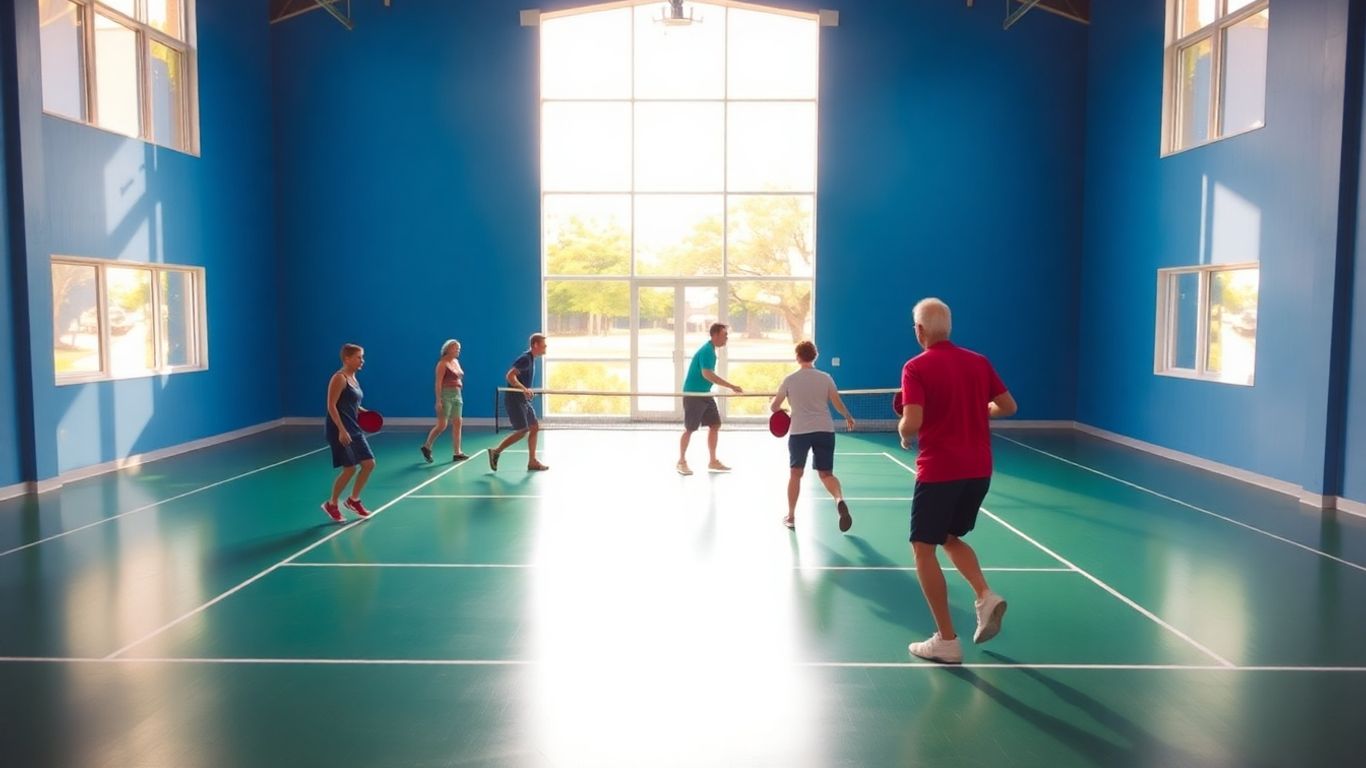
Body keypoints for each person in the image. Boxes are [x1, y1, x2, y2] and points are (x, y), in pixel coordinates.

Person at [898, 298, 1017, 664]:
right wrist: (980, 410)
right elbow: (1008, 406)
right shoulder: (979, 362)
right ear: (947, 327)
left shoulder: (915, 367)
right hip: (979, 470)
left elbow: (913, 421)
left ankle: (946, 641)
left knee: (923, 548)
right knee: (949, 537)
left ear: (920, 330)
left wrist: (903, 432)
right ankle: (984, 595)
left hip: (940, 470)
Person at [770, 340, 856, 531]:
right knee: (826, 474)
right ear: (815, 356)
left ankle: (791, 516)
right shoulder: (825, 378)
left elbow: (774, 406)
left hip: (799, 431)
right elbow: (837, 402)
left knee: (796, 473)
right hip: (824, 430)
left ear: (797, 357)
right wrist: (848, 416)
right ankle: (839, 499)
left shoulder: (790, 379)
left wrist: (784, 409)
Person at [677, 322, 743, 476]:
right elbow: (707, 374)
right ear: (715, 335)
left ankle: (713, 461)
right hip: (694, 394)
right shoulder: (707, 351)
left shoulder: (711, 350)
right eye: (724, 335)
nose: (726, 338)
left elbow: (707, 376)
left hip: (705, 394)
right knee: (690, 429)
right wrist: (731, 386)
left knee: (715, 424)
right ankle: (681, 461)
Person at [322, 343, 376, 523]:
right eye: (359, 357)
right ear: (347, 358)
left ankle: (353, 500)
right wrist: (341, 430)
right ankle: (332, 504)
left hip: (354, 428)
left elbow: (350, 402)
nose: (362, 360)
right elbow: (331, 405)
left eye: (362, 357)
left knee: (369, 464)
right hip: (339, 430)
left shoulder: (353, 378)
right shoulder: (339, 378)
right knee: (350, 468)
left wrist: (363, 411)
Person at [489, 333, 549, 472]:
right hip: (514, 399)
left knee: (534, 427)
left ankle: (532, 461)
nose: (546, 347)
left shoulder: (531, 359)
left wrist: (526, 390)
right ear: (535, 345)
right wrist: (524, 389)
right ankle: (496, 452)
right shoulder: (525, 359)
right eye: (544, 345)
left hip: (523, 400)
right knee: (523, 431)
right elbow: (510, 376)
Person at [421, 339, 468, 463]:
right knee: (442, 424)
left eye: (459, 348)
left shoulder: (456, 362)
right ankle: (427, 446)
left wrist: (459, 383)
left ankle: (457, 452)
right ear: (447, 349)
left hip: (457, 394)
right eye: (455, 348)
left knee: (458, 422)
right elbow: (438, 383)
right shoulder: (442, 364)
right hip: (445, 395)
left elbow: (459, 375)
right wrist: (438, 401)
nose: (458, 350)